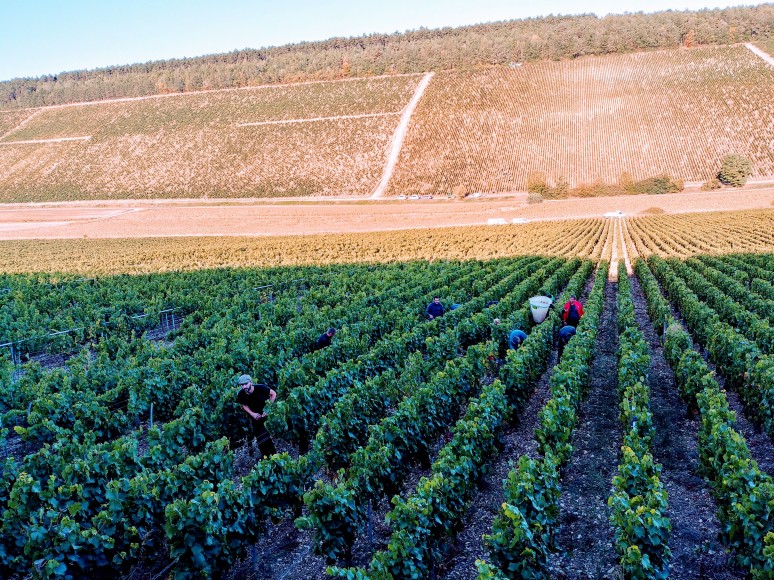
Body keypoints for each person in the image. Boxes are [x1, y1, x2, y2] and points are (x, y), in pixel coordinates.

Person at [236, 374, 277, 458]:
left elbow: (273, 394)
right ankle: (264, 457)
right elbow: (244, 405)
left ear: (251, 382)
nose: (244, 387)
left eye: (246, 384)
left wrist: (267, 409)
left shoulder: (261, 388)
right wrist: (252, 414)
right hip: (255, 418)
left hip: (266, 416)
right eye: (242, 385)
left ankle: (274, 456)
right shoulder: (241, 394)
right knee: (259, 439)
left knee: (266, 437)